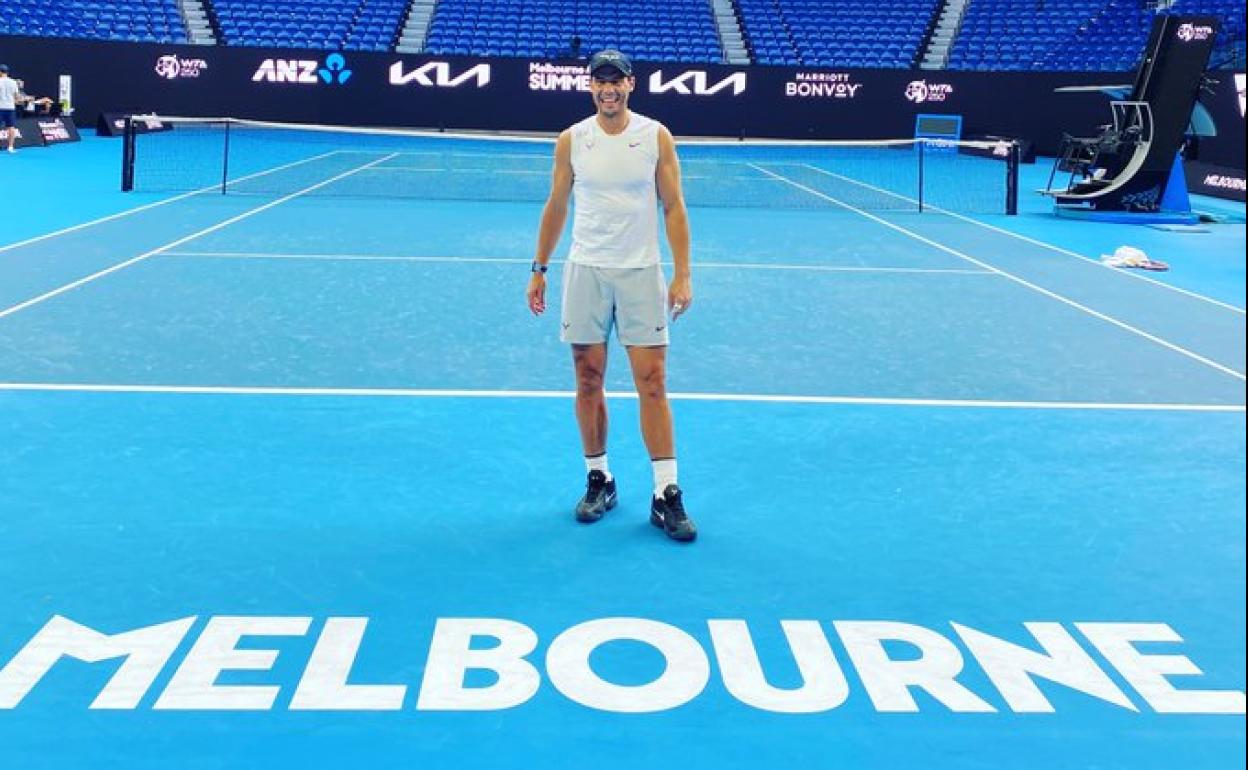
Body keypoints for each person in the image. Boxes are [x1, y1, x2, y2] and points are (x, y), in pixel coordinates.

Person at [526, 49, 697, 543]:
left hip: (641, 271)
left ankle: (666, 492)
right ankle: (599, 479)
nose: (608, 89)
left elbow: (674, 207)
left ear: (630, 85)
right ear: (590, 87)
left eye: (615, 81)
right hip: (586, 270)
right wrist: (539, 269)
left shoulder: (655, 136)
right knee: (588, 378)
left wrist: (682, 273)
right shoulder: (572, 140)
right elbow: (556, 205)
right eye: (599, 82)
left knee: (652, 381)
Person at [0, 64, 19, 154]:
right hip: (10, 108)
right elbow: (16, 97)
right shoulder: (13, 82)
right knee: (11, 127)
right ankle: (10, 147)